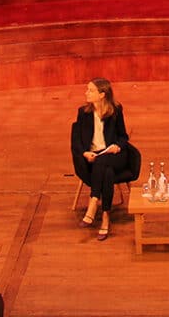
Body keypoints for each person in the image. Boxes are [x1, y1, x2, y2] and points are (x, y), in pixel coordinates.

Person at [70, 78, 131, 241]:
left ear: (102, 94)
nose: (86, 93)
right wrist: (84, 153)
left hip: (114, 156)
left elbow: (123, 136)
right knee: (107, 172)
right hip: (93, 158)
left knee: (102, 162)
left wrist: (117, 146)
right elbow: (77, 140)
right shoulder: (83, 112)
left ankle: (93, 202)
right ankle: (105, 217)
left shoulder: (116, 110)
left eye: (90, 90)